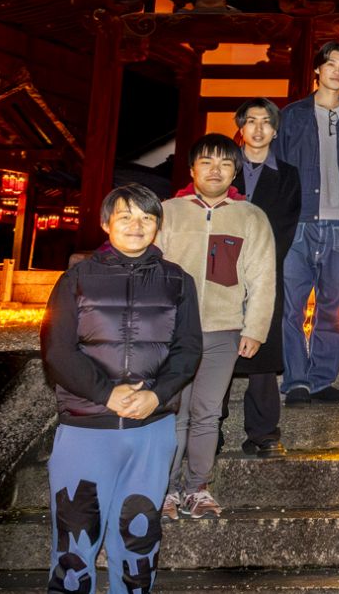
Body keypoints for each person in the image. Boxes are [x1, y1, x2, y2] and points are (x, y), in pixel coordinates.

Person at [41, 185, 200, 594]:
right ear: (105, 222)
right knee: (75, 541)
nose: (136, 225)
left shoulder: (178, 281)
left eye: (147, 218)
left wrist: (155, 395)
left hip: (151, 429)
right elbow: (57, 351)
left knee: (138, 538)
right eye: (126, 216)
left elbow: (188, 350)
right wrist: (106, 394)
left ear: (158, 227)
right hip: (85, 428)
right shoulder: (76, 279)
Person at [155, 134, 275, 520]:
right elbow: (151, 270)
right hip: (173, 332)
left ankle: (197, 488)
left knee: (208, 413)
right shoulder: (168, 212)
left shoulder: (251, 217)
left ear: (235, 172)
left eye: (225, 163)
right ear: (192, 169)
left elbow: (263, 278)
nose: (215, 170)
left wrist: (254, 328)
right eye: (206, 162)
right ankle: (166, 491)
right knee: (174, 412)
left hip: (223, 330)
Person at [278, 41, 339, 403]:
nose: (337, 71)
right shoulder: (292, 115)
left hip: (338, 226)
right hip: (299, 222)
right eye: (331, 64)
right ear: (317, 69)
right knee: (291, 307)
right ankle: (296, 380)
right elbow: (279, 165)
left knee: (332, 306)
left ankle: (321, 380)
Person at [222, 98, 302, 458]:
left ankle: (263, 433)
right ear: (241, 127)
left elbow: (285, 225)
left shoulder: (288, 174)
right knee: (219, 346)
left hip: (266, 268)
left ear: (275, 130)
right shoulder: (224, 167)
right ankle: (211, 430)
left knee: (264, 348)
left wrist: (258, 263)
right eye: (251, 121)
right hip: (221, 270)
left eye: (266, 122)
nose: (258, 129)